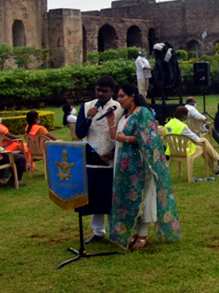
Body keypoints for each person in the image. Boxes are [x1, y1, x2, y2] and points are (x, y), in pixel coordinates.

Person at [107, 83, 181, 250]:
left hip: (141, 164)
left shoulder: (143, 113)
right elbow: (115, 137)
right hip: (123, 164)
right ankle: (132, 231)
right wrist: (111, 121)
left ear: (132, 96)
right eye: (117, 97)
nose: (119, 100)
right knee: (127, 197)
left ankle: (143, 234)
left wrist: (125, 139)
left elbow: (148, 138)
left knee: (144, 197)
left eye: (122, 96)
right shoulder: (124, 115)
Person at [75, 75, 124, 244]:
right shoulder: (87, 106)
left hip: (111, 158)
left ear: (112, 91)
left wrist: (113, 150)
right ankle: (98, 232)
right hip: (91, 158)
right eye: (98, 90)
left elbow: (123, 132)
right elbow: (79, 133)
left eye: (104, 91)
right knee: (94, 197)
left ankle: (115, 232)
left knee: (110, 196)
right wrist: (88, 118)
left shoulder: (119, 107)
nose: (100, 94)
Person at [165, 106, 219, 176]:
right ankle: (218, 164)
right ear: (183, 116)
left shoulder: (168, 125)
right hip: (184, 150)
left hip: (173, 150)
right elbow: (196, 139)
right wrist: (198, 136)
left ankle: (218, 166)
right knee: (204, 143)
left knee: (203, 144)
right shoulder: (182, 126)